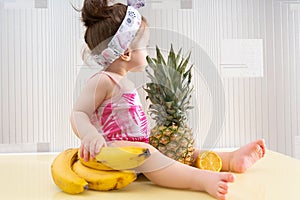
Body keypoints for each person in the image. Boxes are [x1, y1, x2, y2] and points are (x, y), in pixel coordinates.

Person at [70, 1, 266, 199]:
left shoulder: (122, 81)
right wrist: (90, 135)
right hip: (111, 149)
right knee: (147, 152)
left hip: (137, 148)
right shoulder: (103, 81)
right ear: (126, 53)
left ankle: (230, 160)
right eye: (144, 46)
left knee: (177, 150)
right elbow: (79, 112)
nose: (147, 51)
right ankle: (201, 179)